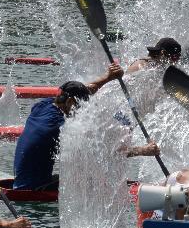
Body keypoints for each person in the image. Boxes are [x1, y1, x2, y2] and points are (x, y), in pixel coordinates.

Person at [13, 63, 158, 190]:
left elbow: (85, 90)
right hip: (35, 188)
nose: (81, 111)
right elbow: (109, 150)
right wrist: (143, 150)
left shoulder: (44, 105)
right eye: (80, 106)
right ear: (70, 102)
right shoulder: (62, 128)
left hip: (23, 180)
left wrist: (108, 78)